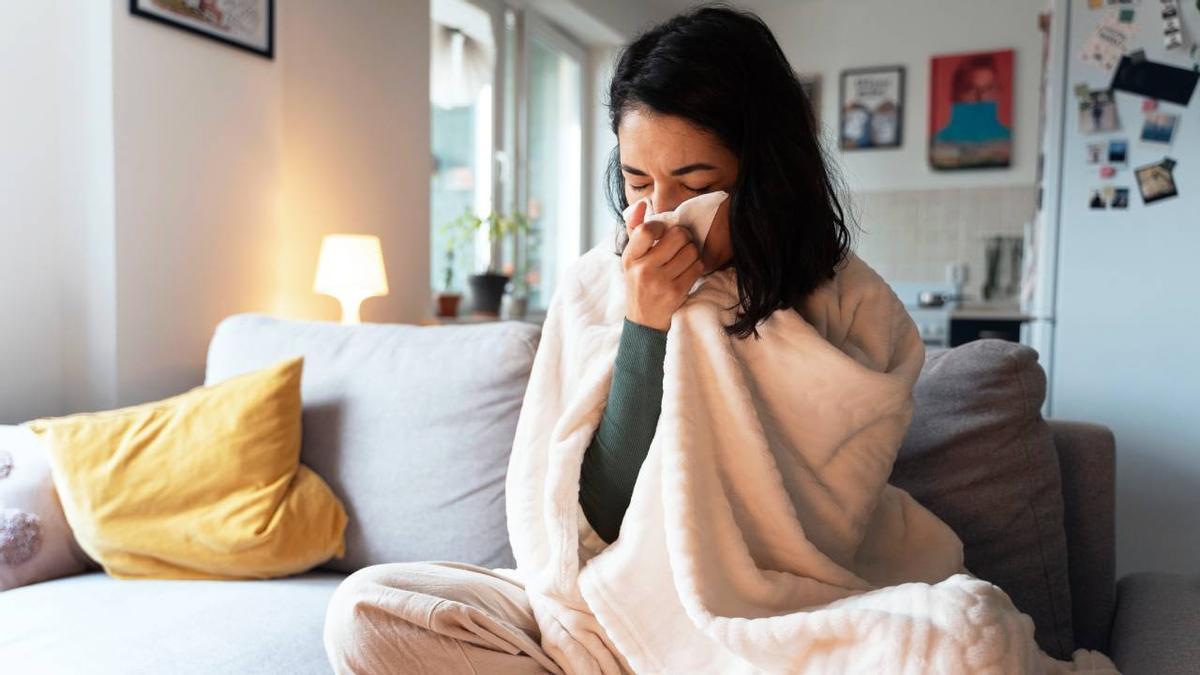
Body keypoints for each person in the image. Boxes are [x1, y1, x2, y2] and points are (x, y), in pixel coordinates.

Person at [323, 6, 876, 673]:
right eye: (640, 182)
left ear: (765, 176)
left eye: (697, 184)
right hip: (593, 603)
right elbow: (594, 522)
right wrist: (645, 324)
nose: (662, 213)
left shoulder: (842, 299)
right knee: (368, 610)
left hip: (756, 621)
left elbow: (820, 529)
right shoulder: (597, 284)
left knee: (962, 636)